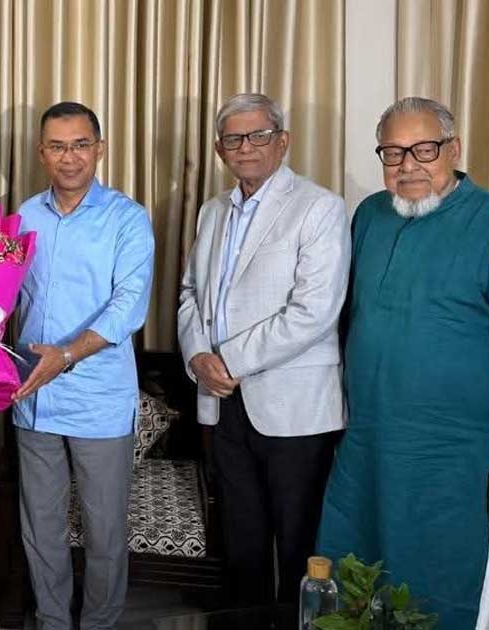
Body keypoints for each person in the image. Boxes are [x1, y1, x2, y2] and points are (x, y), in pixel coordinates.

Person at [318, 96, 489, 630]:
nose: (408, 165)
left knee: (448, 599)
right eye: (392, 152)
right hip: (369, 449)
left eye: (423, 150)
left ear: (454, 149)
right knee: (355, 591)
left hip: (457, 461)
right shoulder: (370, 217)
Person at [177, 93, 349, 606]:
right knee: (241, 545)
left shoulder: (319, 207)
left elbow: (314, 311)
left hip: (295, 409)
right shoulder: (212, 212)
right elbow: (191, 293)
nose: (246, 147)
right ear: (219, 149)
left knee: (299, 547)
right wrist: (198, 357)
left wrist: (227, 360)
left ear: (283, 141)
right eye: (234, 139)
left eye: (259, 135)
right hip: (222, 402)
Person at [12, 101, 155, 630]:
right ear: (41, 153)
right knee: (41, 527)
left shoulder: (127, 218)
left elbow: (129, 306)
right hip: (33, 396)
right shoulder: (24, 217)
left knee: (104, 531)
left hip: (99, 400)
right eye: (57, 146)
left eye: (79, 145)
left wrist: (68, 354)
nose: (69, 157)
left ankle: (99, 624)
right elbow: (5, 295)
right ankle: (52, 620)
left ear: (99, 149)